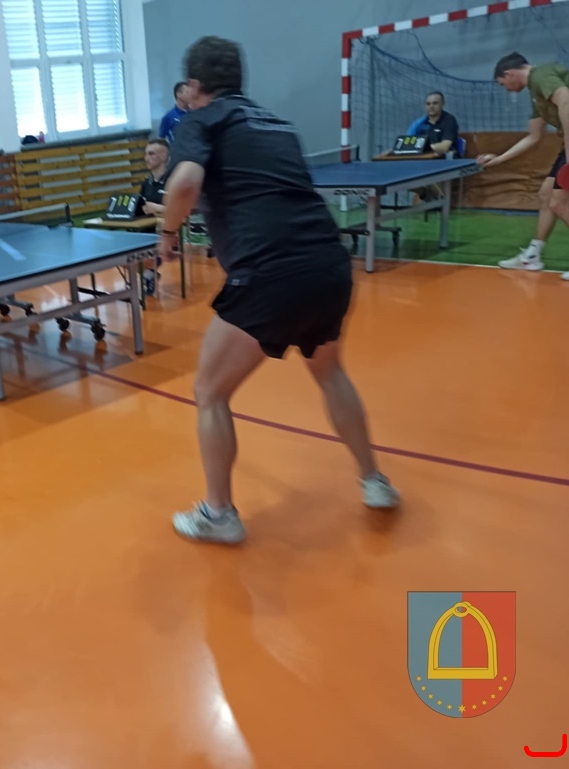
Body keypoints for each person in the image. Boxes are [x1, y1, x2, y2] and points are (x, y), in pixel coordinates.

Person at [156, 36, 400, 545]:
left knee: (209, 393)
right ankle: (374, 481)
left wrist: (167, 234)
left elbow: (183, 186)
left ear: (194, 87)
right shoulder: (277, 124)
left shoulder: (201, 120)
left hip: (268, 274)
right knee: (329, 371)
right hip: (329, 265)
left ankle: (219, 515)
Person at [478, 53, 569, 280]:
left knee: (558, 202)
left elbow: (566, 100)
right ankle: (532, 256)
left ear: (509, 74)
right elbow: (533, 136)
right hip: (565, 144)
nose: (505, 88)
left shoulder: (540, 75)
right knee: (546, 195)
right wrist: (499, 159)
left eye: (502, 84)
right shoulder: (535, 94)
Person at [407, 91, 460, 157]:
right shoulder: (419, 123)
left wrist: (423, 148)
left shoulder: (449, 120)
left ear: (442, 104)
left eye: (435, 103)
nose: (431, 106)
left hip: (445, 159)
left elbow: (444, 146)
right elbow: (409, 146)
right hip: (423, 158)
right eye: (428, 104)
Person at [139, 138, 170, 216]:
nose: (146, 158)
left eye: (151, 154)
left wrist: (158, 208)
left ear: (163, 156)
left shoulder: (175, 181)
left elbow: (185, 210)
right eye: (146, 154)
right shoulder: (147, 182)